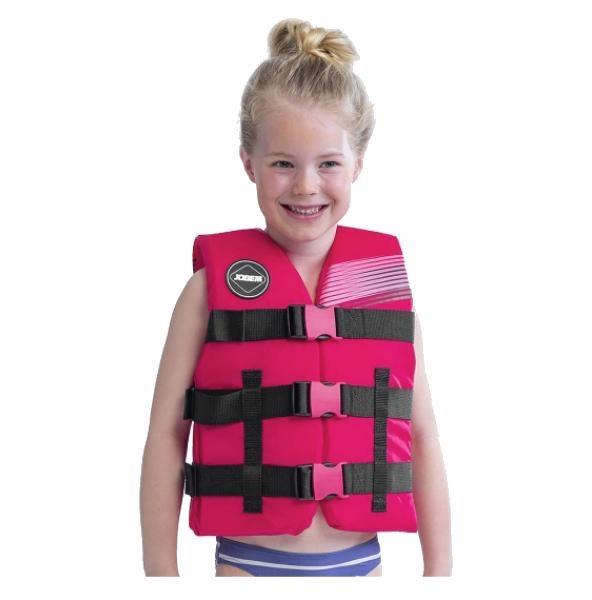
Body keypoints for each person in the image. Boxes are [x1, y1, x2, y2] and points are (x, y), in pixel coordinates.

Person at [139, 17, 452, 577]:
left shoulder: (381, 288)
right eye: (283, 164)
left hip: (362, 566)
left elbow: (423, 437)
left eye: (327, 164)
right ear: (248, 163)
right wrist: (161, 577)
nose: (306, 185)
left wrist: (440, 574)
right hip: (246, 566)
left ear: (358, 163)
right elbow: (167, 433)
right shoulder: (207, 291)